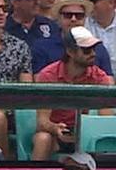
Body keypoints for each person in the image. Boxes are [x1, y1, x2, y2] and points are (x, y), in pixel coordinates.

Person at [33, 27, 115, 160]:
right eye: (87, 50)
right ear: (70, 51)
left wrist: (85, 131)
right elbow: (42, 121)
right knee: (42, 138)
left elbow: (104, 120)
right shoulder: (48, 75)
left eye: (94, 49)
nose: (93, 53)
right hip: (57, 135)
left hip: (88, 134)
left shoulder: (100, 77)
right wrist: (56, 129)